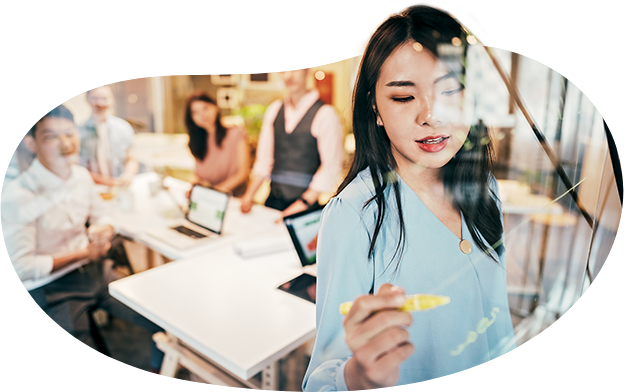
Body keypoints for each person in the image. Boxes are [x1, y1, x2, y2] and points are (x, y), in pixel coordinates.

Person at [302, 4, 515, 390]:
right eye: (403, 98)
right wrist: (358, 376)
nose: (431, 115)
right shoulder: (355, 214)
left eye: (450, 90)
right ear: (376, 109)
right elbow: (320, 378)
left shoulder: (484, 188)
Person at [2, 105, 164, 372]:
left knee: (160, 315)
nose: (66, 144)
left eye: (70, 133)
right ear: (32, 143)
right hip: (51, 289)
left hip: (95, 272)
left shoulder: (80, 176)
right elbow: (22, 267)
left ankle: (164, 367)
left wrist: (103, 229)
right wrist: (83, 254)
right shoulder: (18, 197)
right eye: (52, 137)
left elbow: (103, 215)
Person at [240, 69, 344, 217]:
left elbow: (331, 167)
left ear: (307, 71)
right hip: (273, 201)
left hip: (304, 208)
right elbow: (264, 160)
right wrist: (248, 196)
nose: (288, 76)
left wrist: (301, 205)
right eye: (283, 71)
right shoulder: (274, 110)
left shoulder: (326, 114)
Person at [185, 92, 250, 196]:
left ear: (215, 107)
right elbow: (197, 174)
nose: (201, 115)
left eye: (205, 108)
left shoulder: (236, 134)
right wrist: (195, 186)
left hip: (235, 198)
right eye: (195, 112)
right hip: (210, 197)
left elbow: (242, 173)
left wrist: (216, 192)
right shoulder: (198, 141)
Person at [80, 85, 139, 187]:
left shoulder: (123, 128)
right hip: (91, 189)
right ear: (87, 99)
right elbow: (77, 169)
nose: (100, 103)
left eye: (104, 98)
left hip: (120, 187)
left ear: (112, 100)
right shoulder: (78, 132)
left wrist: (128, 174)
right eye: (95, 98)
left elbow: (131, 159)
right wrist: (107, 182)